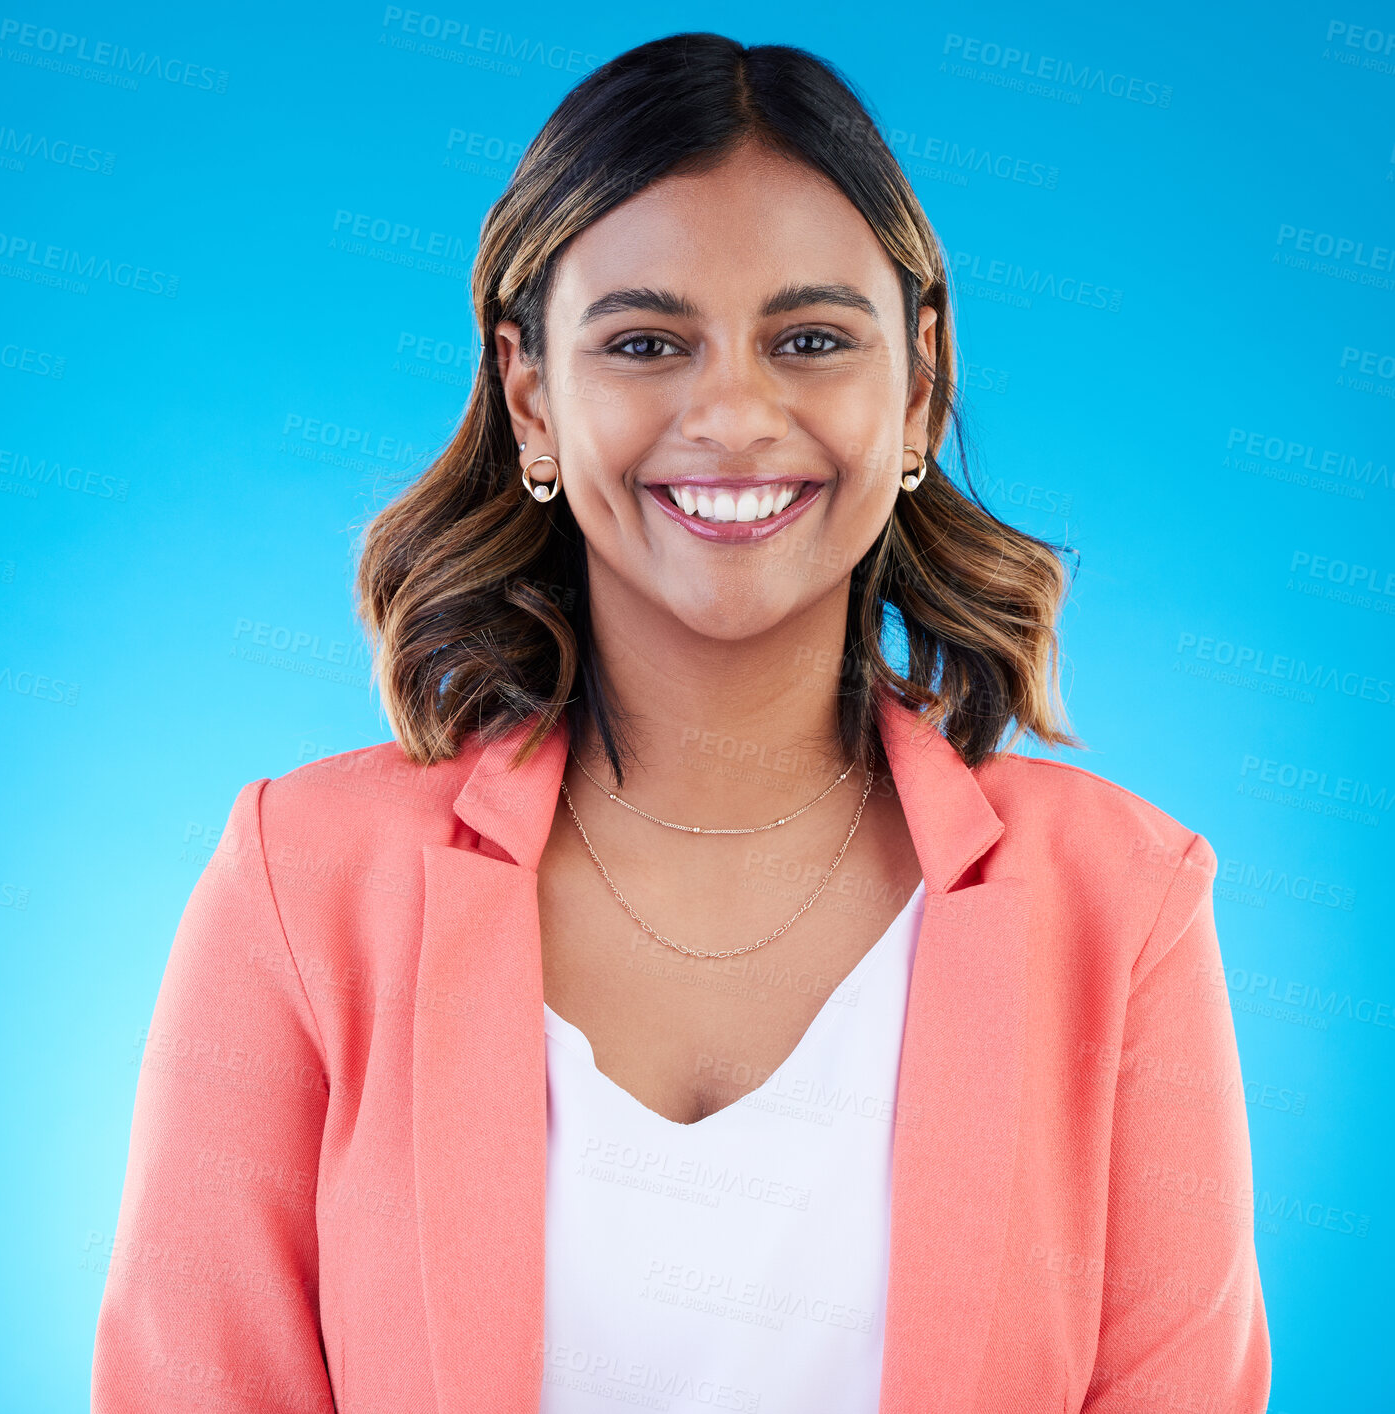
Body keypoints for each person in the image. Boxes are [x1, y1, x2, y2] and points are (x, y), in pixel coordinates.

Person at [92, 31, 1272, 1414]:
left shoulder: (1122, 910)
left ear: (920, 383)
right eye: (645, 341)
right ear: (531, 391)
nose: (730, 412)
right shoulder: (302, 882)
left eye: (811, 338)